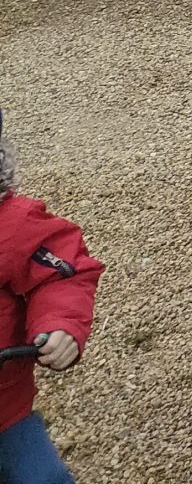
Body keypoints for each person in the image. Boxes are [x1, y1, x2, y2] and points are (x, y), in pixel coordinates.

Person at [0, 108, 103, 484]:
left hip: (5, 414)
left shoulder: (11, 225)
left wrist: (58, 325)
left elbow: (60, 276)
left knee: (42, 479)